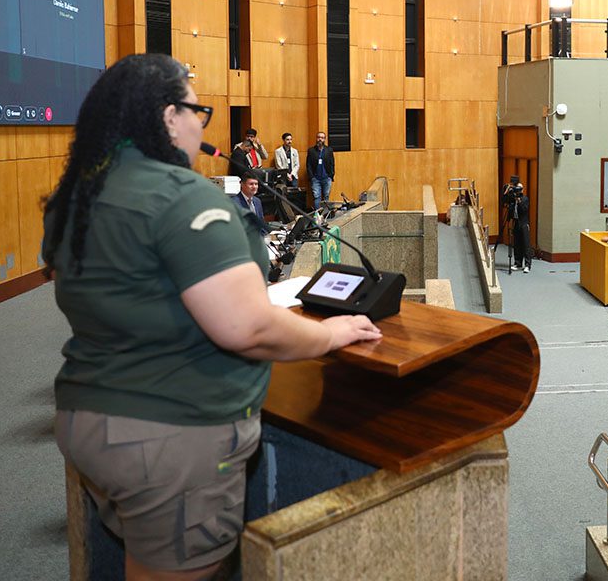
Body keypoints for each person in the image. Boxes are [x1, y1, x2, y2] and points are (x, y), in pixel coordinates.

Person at [41, 55, 382, 580]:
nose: (202, 125)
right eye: (197, 111)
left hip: (90, 417)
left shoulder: (80, 196)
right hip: (170, 433)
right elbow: (247, 326)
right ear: (167, 116)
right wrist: (329, 333)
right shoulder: (183, 199)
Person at [506, 182, 533, 272]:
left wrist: (519, 201)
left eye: (520, 188)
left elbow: (524, 209)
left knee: (526, 244)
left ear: (523, 190)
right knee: (517, 244)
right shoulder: (513, 199)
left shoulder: (525, 199)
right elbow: (510, 210)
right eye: (517, 188)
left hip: (524, 223)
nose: (518, 190)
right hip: (516, 223)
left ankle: (527, 265)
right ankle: (518, 263)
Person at [306, 131, 335, 205]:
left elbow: (332, 163)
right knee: (316, 196)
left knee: (326, 196)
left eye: (322, 138)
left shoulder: (329, 150)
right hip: (315, 178)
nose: (320, 139)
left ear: (325, 139)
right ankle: (317, 215)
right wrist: (311, 177)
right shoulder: (311, 150)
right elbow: (308, 165)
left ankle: (325, 214)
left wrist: (331, 175)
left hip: (326, 178)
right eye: (318, 137)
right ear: (316, 138)